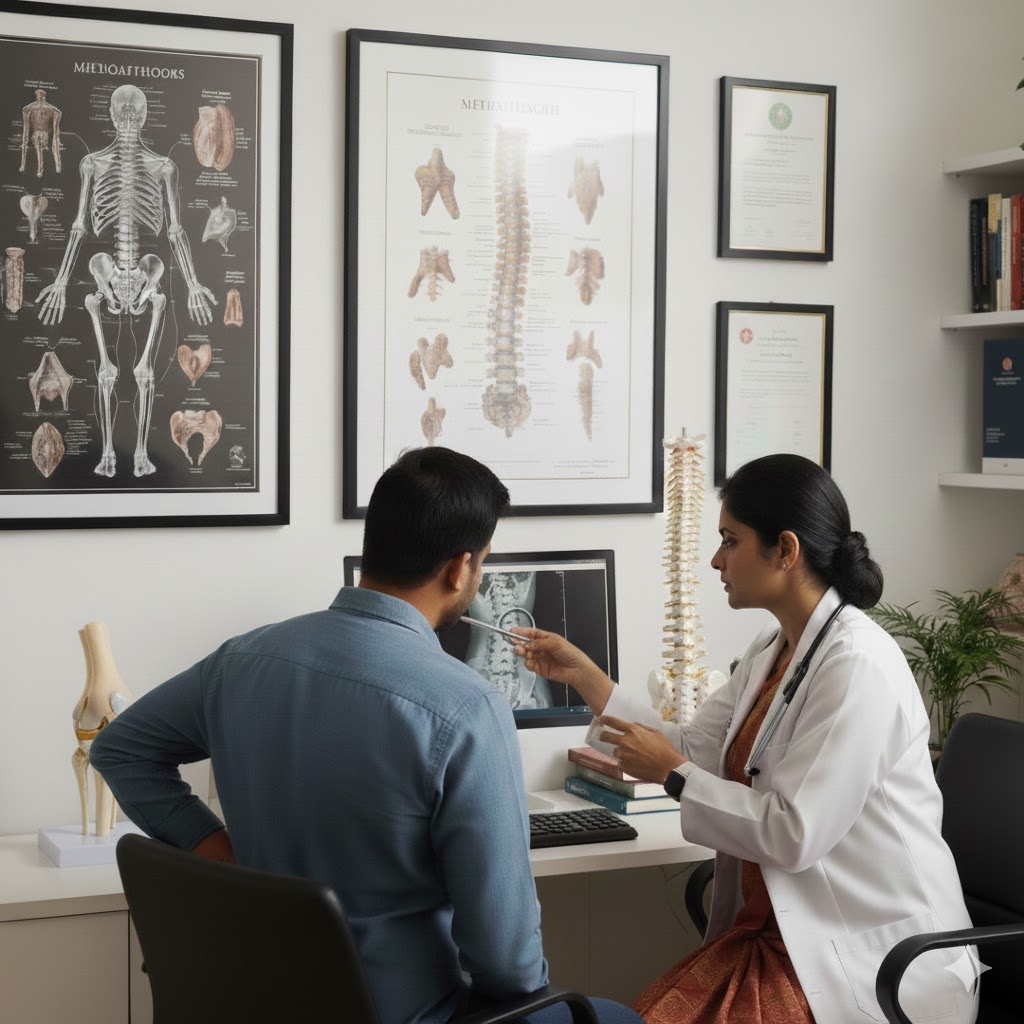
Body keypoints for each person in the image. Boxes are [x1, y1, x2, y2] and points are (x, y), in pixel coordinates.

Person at [91, 446, 641, 1024]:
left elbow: (120, 749)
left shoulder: (241, 658)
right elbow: (508, 967)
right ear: (461, 570)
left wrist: (211, 846)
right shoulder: (467, 707)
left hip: (258, 1000)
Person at [516, 454, 977, 1024]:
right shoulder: (774, 646)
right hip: (784, 935)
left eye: (729, 541)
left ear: (785, 550)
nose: (716, 559)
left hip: (874, 960)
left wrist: (672, 775)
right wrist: (587, 678)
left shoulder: (859, 666)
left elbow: (792, 833)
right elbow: (695, 746)